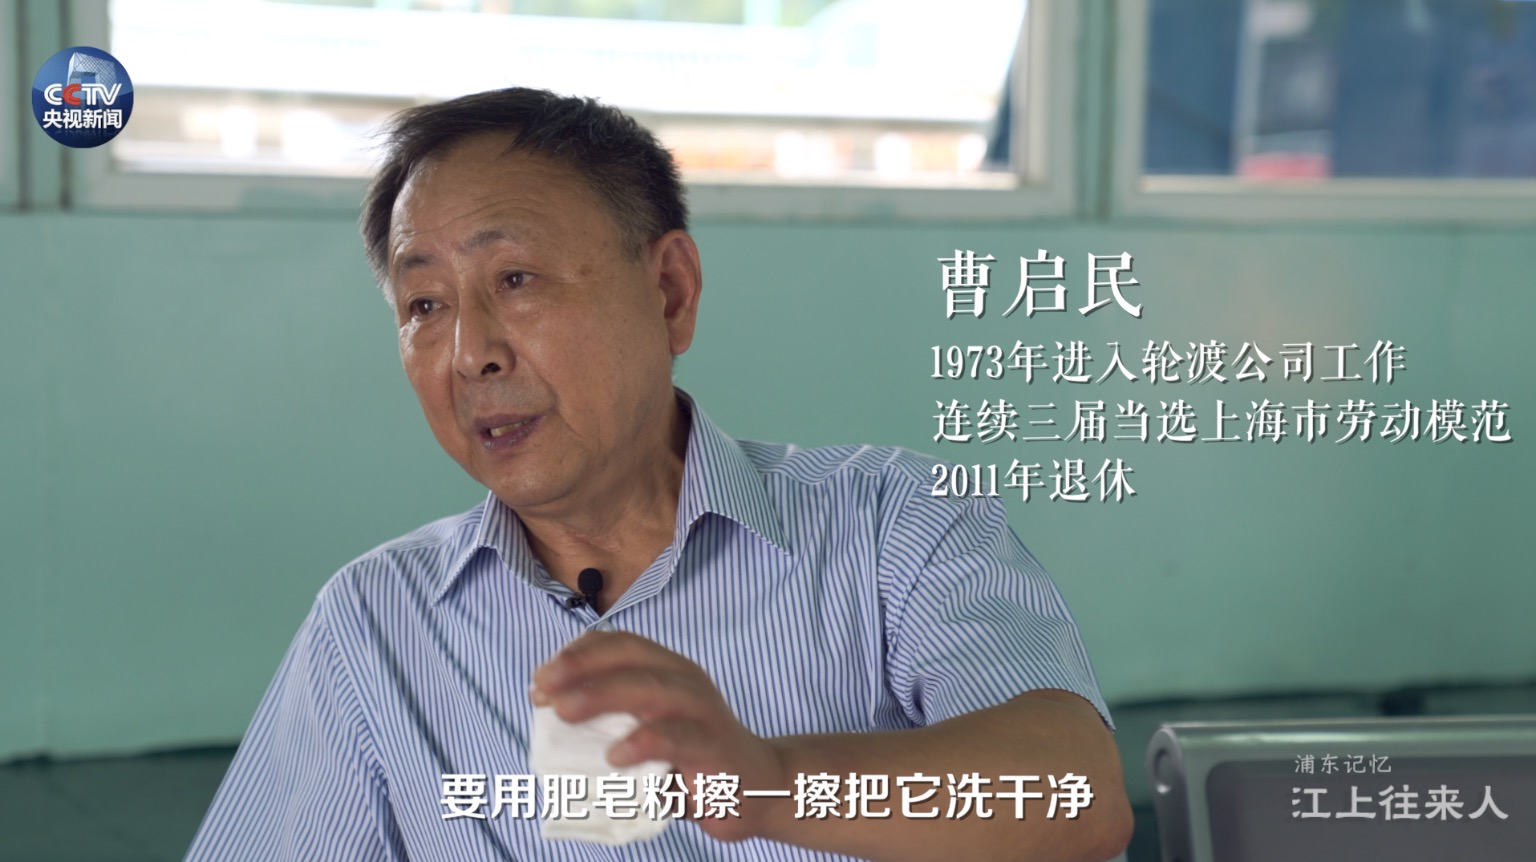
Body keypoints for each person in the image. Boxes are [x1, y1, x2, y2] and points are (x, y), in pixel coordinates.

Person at [183, 87, 1132, 862]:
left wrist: (769, 784)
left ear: (670, 291)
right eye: (424, 304)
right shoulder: (373, 624)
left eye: (515, 279)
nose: (470, 353)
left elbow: (1073, 798)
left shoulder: (892, 523)